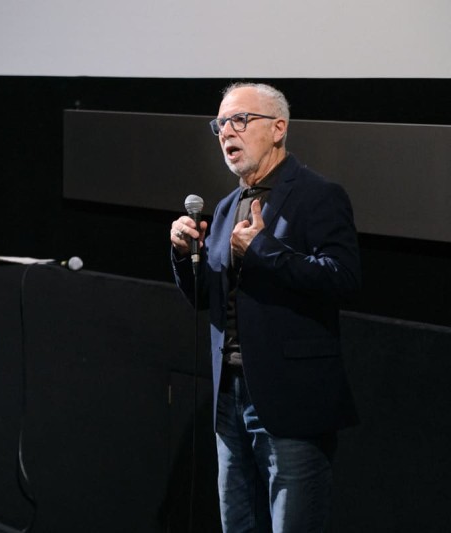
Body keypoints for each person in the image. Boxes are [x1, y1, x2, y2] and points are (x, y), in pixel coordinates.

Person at [170, 83, 361, 532]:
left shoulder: (318, 195)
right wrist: (182, 255)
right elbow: (206, 298)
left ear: (278, 129)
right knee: (238, 524)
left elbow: (344, 280)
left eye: (240, 120)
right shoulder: (225, 208)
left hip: (290, 400)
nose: (226, 132)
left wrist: (263, 250)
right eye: (220, 124)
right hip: (229, 397)